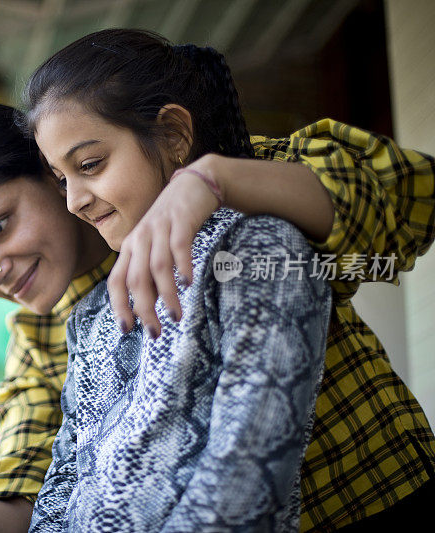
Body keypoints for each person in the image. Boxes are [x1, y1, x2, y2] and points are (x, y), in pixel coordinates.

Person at [0, 91, 435, 531]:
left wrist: (211, 182)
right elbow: (36, 494)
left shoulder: (217, 190)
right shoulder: (42, 330)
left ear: (55, 175)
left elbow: (411, 199)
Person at [23, 28, 435, 531]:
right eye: (62, 178)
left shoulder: (257, 198)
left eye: (90, 164)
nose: (74, 201)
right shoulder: (104, 300)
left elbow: (415, 203)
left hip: (374, 494)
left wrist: (214, 180)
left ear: (174, 135)